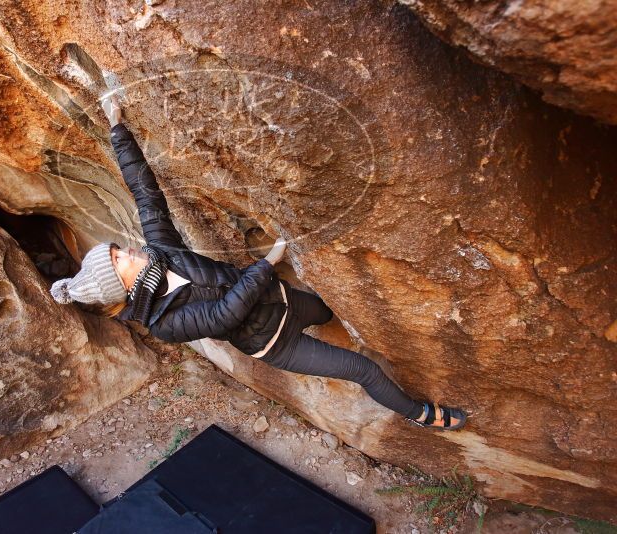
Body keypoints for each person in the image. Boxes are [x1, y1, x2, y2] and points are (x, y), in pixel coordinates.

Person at [49, 94, 467, 431]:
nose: (126, 249)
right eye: (118, 258)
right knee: (362, 369)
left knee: (332, 309)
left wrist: (118, 128)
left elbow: (146, 194)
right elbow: (223, 314)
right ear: (123, 286)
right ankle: (420, 414)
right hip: (278, 343)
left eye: (116, 248)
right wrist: (269, 261)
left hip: (286, 298)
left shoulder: (163, 252)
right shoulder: (163, 324)